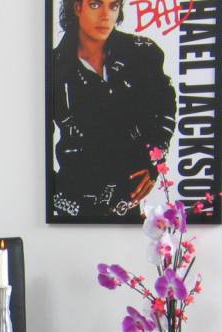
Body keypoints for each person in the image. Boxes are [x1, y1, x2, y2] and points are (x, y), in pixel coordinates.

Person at [50, 0, 176, 220]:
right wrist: (56, 197)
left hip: (127, 203)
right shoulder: (54, 66)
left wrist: (153, 162)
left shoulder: (142, 53)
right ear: (77, 7)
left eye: (114, 6)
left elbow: (164, 107)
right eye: (96, 5)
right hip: (72, 202)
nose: (106, 15)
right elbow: (33, 145)